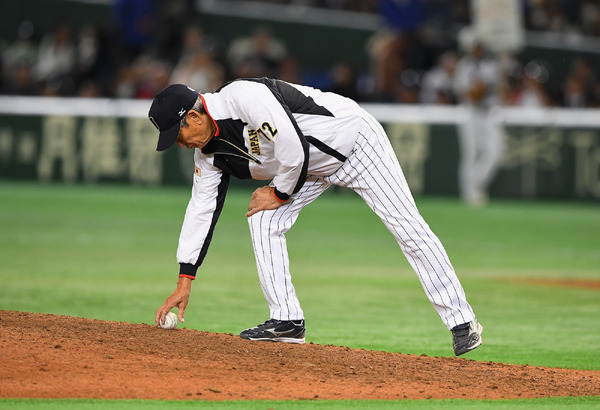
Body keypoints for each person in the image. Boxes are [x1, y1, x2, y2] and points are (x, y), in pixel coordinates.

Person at [150, 78, 483, 356]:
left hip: (355, 145)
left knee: (407, 228)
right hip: (307, 171)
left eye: (176, 136)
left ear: (193, 119)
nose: (179, 144)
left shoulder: (244, 97)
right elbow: (201, 209)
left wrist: (278, 193)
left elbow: (294, 148)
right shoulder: (207, 155)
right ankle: (287, 321)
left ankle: (461, 320)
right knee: (263, 219)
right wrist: (185, 278)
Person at [453, 39, 505, 207]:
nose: (477, 49)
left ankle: (475, 182)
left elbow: (500, 87)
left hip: (490, 111)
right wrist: (476, 92)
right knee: (471, 152)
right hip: (471, 111)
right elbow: (461, 90)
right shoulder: (465, 65)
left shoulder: (492, 64)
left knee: (496, 153)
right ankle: (469, 192)